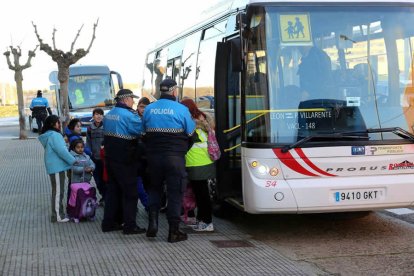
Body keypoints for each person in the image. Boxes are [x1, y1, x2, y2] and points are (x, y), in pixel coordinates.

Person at [142, 79, 196, 243]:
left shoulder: (149, 109)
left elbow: (143, 134)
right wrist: (182, 151)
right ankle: (174, 231)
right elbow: (191, 133)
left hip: (153, 158)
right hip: (175, 158)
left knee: (154, 189)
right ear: (174, 91)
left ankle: (153, 223)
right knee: (175, 193)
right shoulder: (181, 109)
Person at [101, 88, 146, 235]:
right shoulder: (129, 116)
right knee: (130, 193)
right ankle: (130, 226)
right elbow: (141, 132)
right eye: (132, 99)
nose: (133, 101)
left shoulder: (109, 115)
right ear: (126, 99)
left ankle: (108, 223)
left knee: (113, 191)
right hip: (125, 159)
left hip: (110, 158)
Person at [181, 98, 216, 232]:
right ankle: (202, 220)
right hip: (203, 162)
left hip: (197, 163)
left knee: (202, 195)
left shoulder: (192, 125)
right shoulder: (203, 120)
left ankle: (207, 222)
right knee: (200, 193)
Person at [38, 115, 76, 223]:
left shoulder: (49, 135)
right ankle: (58, 216)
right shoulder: (55, 135)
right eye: (58, 122)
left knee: (57, 191)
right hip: (57, 167)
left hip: (55, 166)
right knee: (58, 192)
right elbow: (61, 151)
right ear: (52, 124)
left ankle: (58, 214)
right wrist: (73, 160)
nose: (59, 124)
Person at [86, 108, 106, 205]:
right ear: (93, 116)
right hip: (94, 158)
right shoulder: (90, 128)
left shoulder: (106, 127)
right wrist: (89, 153)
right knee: (97, 179)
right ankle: (103, 195)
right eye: (96, 114)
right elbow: (88, 142)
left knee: (105, 178)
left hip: (105, 159)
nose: (98, 116)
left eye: (100, 114)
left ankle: (106, 197)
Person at [136, 97, 151, 211]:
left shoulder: (151, 119)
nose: (143, 110)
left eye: (145, 107)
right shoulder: (133, 118)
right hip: (136, 157)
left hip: (148, 157)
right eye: (141, 107)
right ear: (137, 107)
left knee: (148, 182)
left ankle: (149, 205)